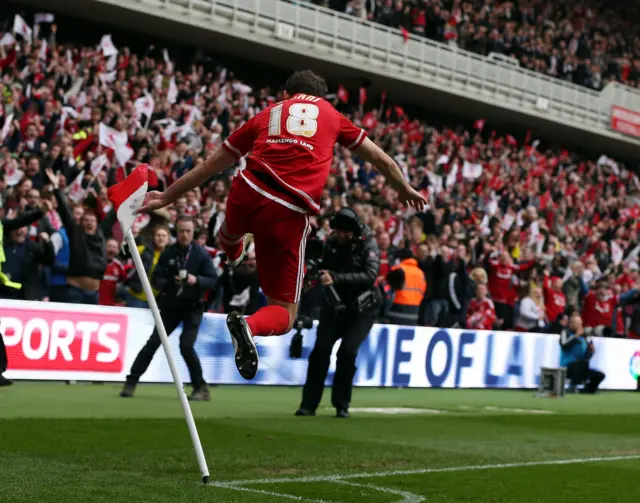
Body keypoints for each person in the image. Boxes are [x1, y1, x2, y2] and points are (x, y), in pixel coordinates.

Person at [138, 69, 426, 380]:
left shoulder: (268, 113)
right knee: (285, 314)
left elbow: (210, 165)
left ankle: (231, 239)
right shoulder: (331, 114)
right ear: (320, 98)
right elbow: (382, 160)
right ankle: (249, 325)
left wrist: (167, 196)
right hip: (287, 211)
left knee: (235, 226)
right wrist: (403, 188)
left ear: (287, 95)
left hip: (246, 189)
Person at [296, 208, 380, 418]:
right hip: (334, 304)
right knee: (320, 351)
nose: (341, 235)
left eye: (345, 232)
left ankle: (342, 404)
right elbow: (318, 270)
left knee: (347, 351)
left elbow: (370, 275)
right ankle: (309, 404)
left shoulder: (367, 243)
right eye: (338, 231)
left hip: (362, 307)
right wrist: (317, 270)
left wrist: (335, 277)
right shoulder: (330, 244)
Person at [120, 217, 216, 400]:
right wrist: (170, 283)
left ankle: (201, 387)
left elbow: (212, 279)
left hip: (193, 307)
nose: (184, 235)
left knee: (186, 346)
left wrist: (196, 281)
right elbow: (156, 278)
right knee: (153, 343)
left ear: (194, 232)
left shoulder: (201, 254)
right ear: (176, 232)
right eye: (181, 231)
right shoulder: (170, 253)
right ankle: (131, 382)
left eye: (188, 231)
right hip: (171, 306)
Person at [46, 169, 114, 304]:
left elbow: (113, 215)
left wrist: (128, 196)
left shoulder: (101, 234)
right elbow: (65, 211)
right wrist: (56, 188)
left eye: (92, 220)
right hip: (75, 292)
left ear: (97, 223)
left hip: (94, 294)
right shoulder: (75, 234)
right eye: (86, 220)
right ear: (81, 223)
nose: (89, 223)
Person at [560, 313, 605, 393]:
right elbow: (564, 345)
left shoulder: (584, 336)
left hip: (582, 366)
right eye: (577, 324)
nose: (580, 326)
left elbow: (587, 357)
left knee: (600, 375)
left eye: (580, 324)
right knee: (582, 364)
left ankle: (587, 390)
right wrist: (576, 336)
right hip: (567, 366)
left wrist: (591, 351)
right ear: (571, 324)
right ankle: (572, 387)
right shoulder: (565, 332)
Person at [126, 225, 170, 309]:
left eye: (164, 236)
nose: (161, 238)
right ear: (153, 238)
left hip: (157, 301)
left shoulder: (171, 256)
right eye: (158, 235)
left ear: (168, 239)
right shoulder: (143, 249)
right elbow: (124, 253)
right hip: (137, 297)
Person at [386, 248, 427, 325]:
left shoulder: (397, 269)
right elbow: (423, 290)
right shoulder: (420, 273)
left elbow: (388, 288)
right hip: (414, 309)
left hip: (396, 308)